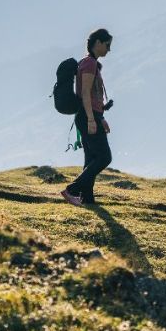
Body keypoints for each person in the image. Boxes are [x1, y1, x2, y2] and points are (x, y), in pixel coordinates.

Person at [62, 28, 114, 207]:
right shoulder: (89, 63)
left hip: (91, 115)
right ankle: (72, 190)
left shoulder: (90, 63)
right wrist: (92, 119)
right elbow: (84, 93)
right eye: (107, 45)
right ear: (98, 42)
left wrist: (100, 117)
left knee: (91, 159)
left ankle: (87, 199)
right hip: (87, 116)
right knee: (104, 157)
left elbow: (93, 96)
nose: (108, 49)